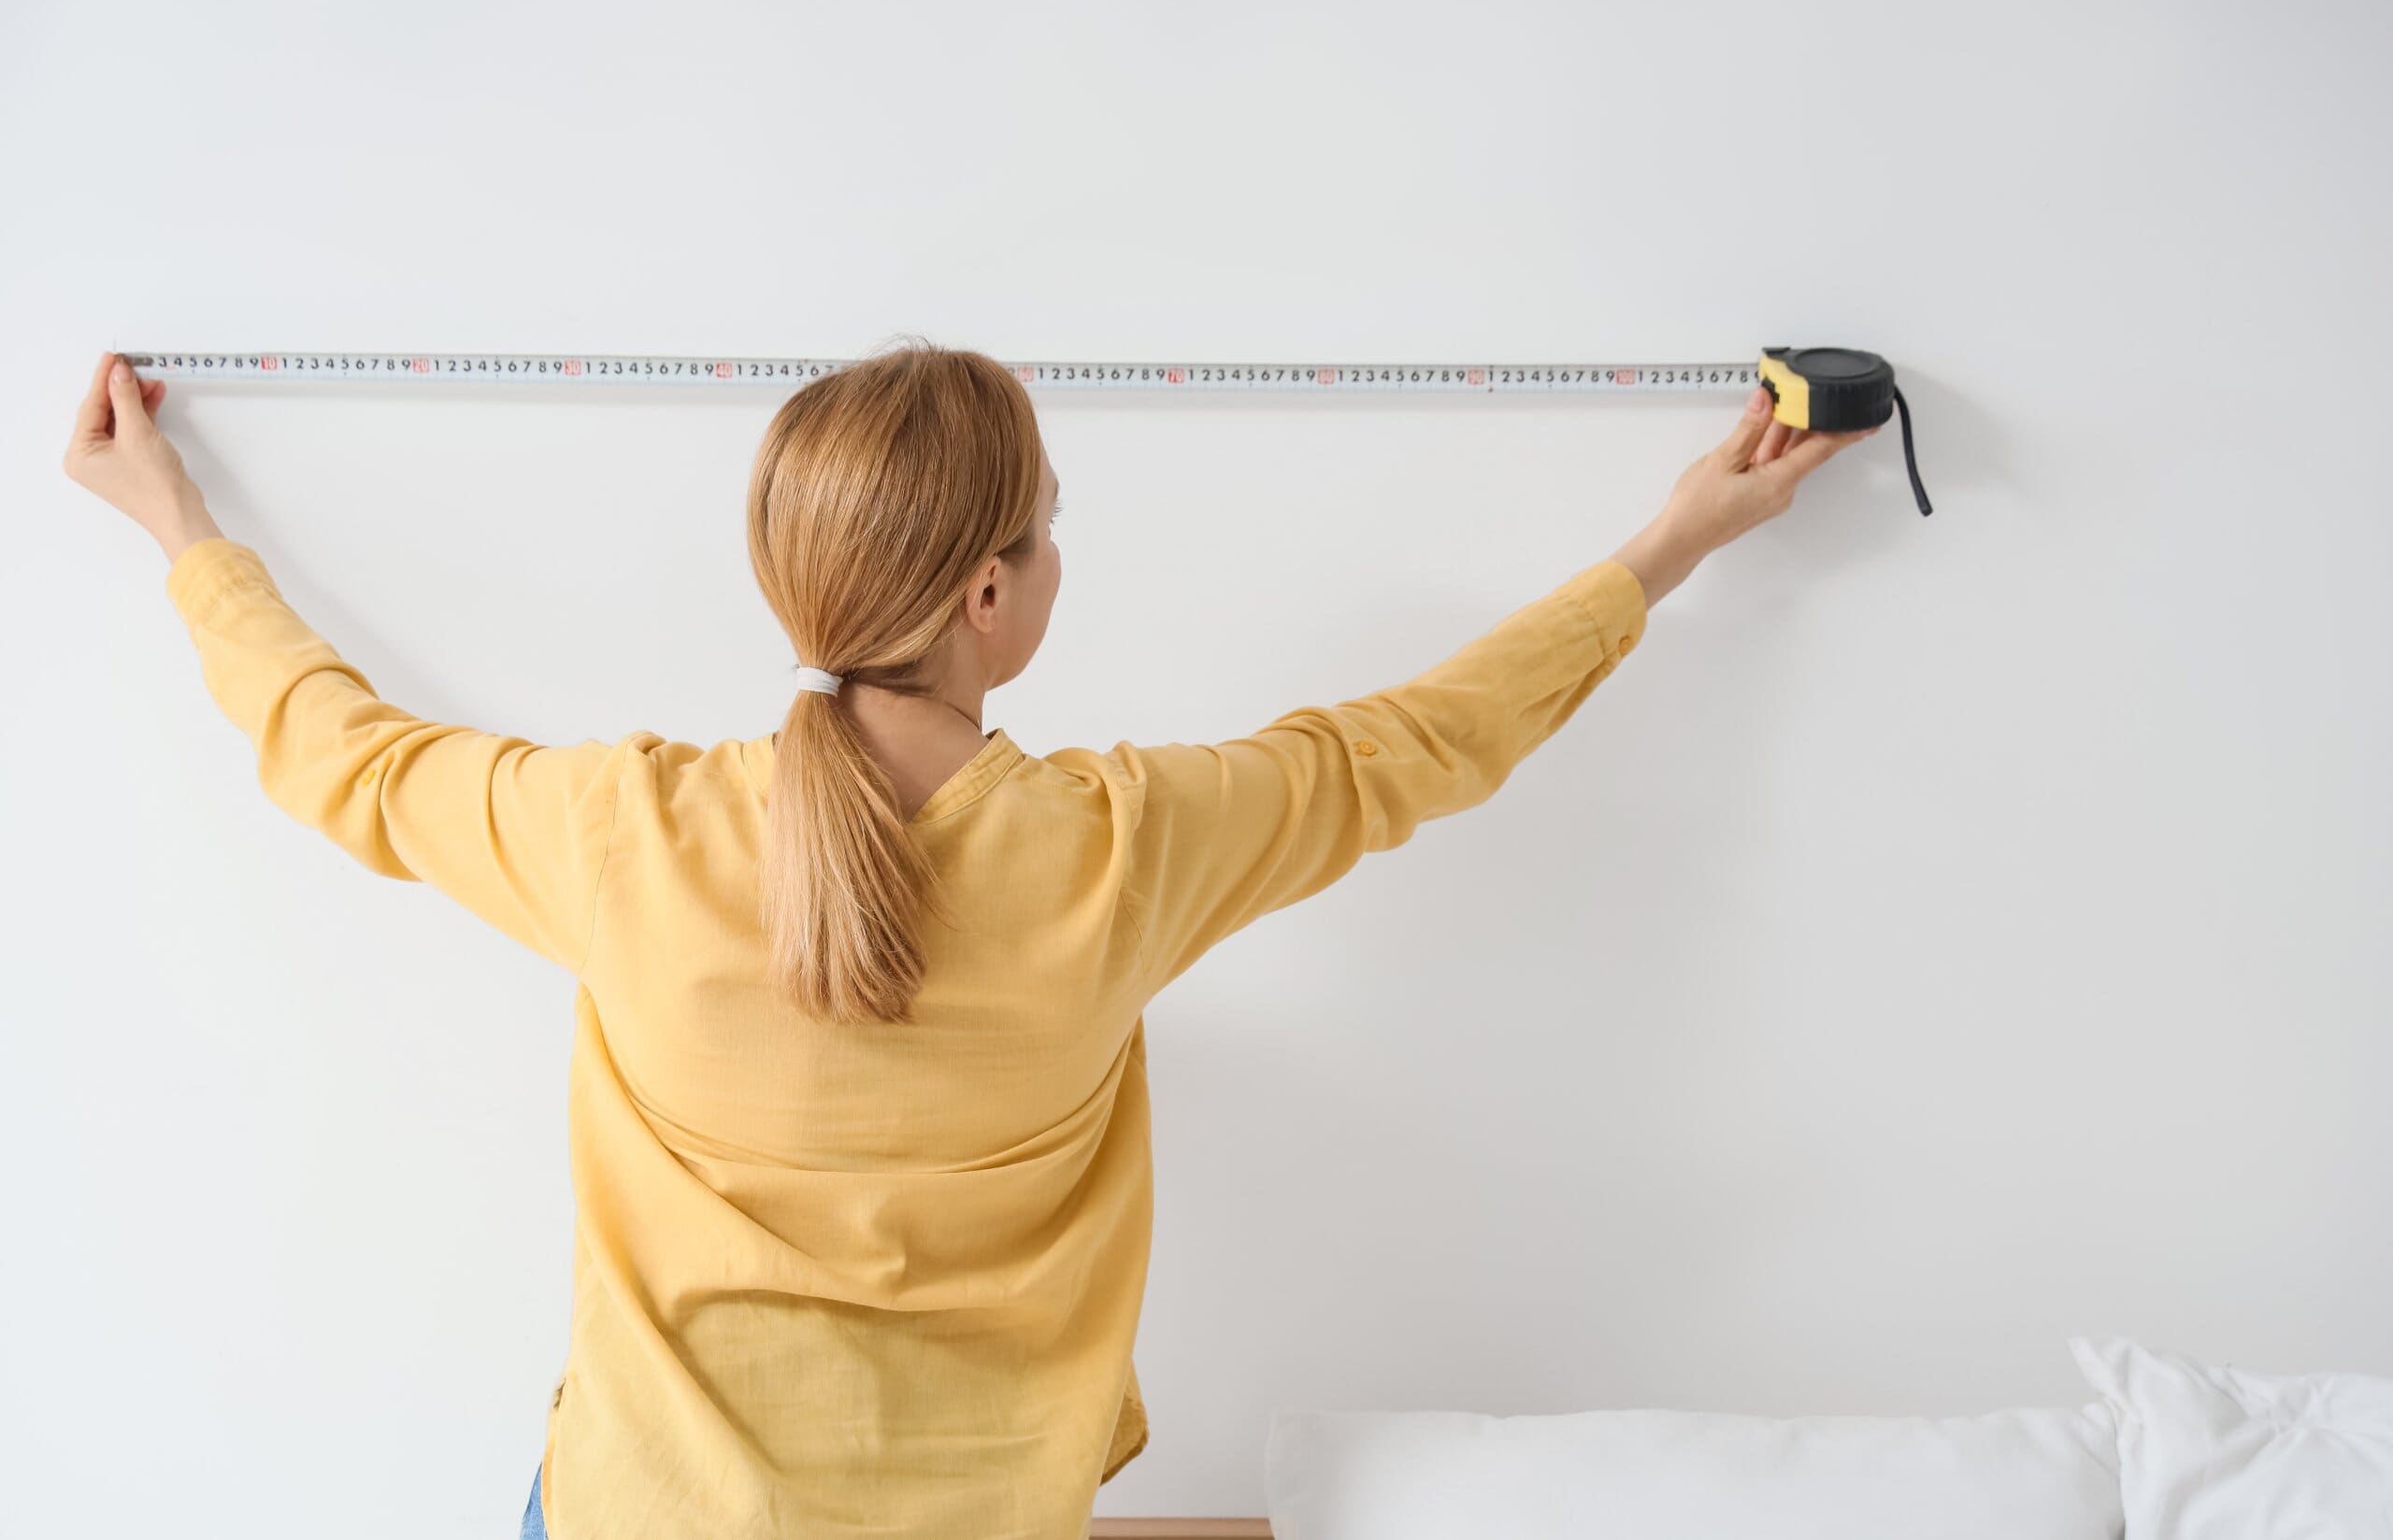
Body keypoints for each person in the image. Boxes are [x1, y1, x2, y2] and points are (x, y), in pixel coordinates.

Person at [63, 342, 1876, 1539]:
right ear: (989, 596)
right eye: (1049, 528)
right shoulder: (1123, 849)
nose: (1058, 554)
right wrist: (1671, 543)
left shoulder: (625, 835)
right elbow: (1413, 744)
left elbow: (348, 756)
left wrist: (177, 523)